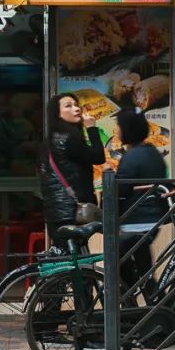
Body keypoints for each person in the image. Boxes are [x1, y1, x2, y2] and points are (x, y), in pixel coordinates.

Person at [37, 92, 106, 251]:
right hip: (71, 211)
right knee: (75, 259)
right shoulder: (69, 139)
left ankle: (54, 277)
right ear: (58, 113)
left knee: (67, 257)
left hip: (58, 210)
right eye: (69, 106)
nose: (76, 109)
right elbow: (98, 157)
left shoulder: (51, 139)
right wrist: (92, 129)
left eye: (76, 105)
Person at [114, 108, 169, 300]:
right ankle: (150, 315)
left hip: (135, 221)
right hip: (153, 219)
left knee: (123, 270)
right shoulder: (152, 152)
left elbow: (120, 190)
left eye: (119, 128)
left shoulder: (131, 157)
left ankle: (136, 314)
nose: (117, 133)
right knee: (141, 271)